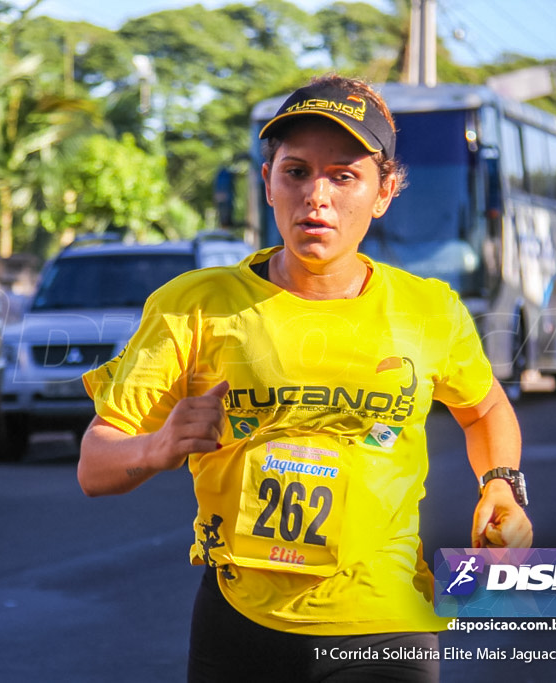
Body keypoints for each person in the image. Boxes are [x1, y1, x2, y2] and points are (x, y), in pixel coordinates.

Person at [77, 74, 533, 682]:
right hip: (240, 623)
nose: (316, 195)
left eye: (344, 176)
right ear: (267, 182)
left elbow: (485, 411)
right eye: (295, 172)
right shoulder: (197, 305)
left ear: (384, 191)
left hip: (383, 622)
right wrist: (157, 447)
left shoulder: (429, 309)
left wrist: (500, 486)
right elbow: (94, 465)